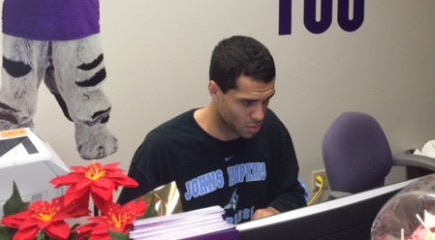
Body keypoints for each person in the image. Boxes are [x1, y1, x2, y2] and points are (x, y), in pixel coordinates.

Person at [118, 35, 307, 224]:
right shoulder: (163, 149)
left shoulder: (270, 129)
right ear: (215, 91)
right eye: (247, 102)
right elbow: (126, 228)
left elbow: (292, 192)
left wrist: (276, 210)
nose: (259, 114)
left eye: (266, 100)